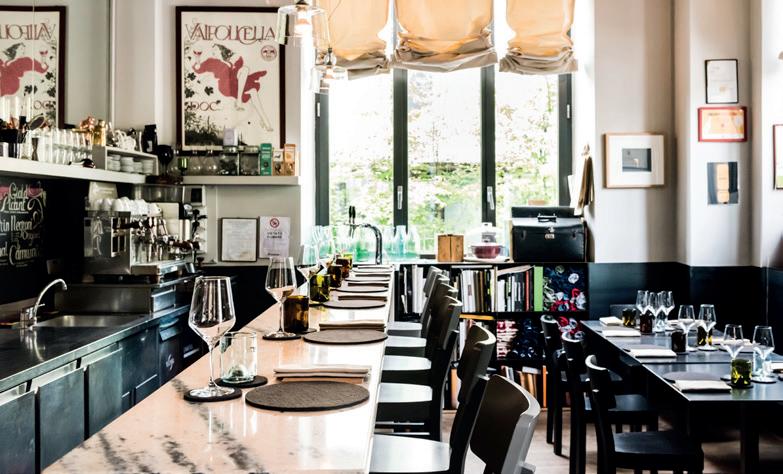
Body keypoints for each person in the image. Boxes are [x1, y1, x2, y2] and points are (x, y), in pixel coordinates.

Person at [192, 44, 273, 132]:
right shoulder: (212, 61)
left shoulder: (229, 60)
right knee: (245, 69)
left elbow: (239, 63)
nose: (213, 51)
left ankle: (266, 122)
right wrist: (197, 58)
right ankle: (239, 101)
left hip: (236, 84)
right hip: (225, 85)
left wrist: (231, 60)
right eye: (212, 50)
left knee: (252, 89)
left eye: (215, 49)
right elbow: (198, 69)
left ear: (221, 50)